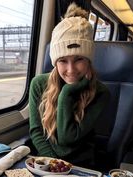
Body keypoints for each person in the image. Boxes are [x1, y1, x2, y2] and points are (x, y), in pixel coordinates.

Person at [29, 2, 110, 168]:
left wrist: (67, 92)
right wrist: (54, 165)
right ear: (55, 62)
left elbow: (68, 138)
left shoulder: (101, 92)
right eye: (63, 61)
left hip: (81, 165)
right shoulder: (38, 84)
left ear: (89, 60)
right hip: (47, 163)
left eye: (79, 59)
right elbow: (36, 132)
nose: (70, 70)